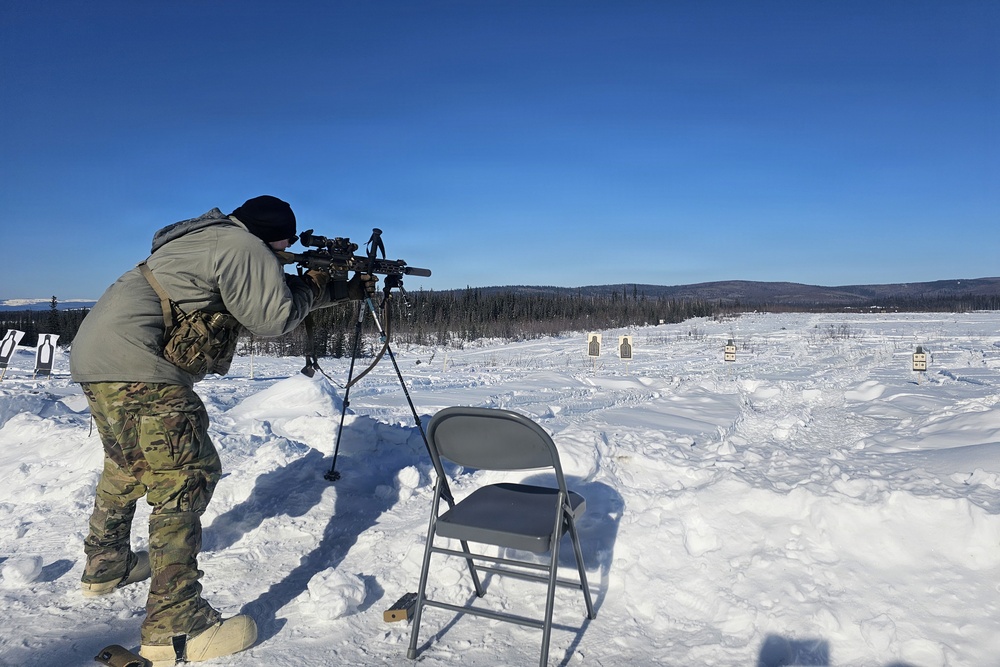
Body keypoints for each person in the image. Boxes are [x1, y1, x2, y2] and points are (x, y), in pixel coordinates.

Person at [70, 196, 371, 664]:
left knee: (127, 464)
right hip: (140, 366)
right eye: (285, 243)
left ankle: (106, 565)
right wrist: (313, 284)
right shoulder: (245, 247)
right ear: (274, 236)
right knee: (184, 476)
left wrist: (330, 289)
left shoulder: (206, 240)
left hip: (98, 357)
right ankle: (176, 626)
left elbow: (260, 297)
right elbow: (273, 318)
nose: (287, 250)